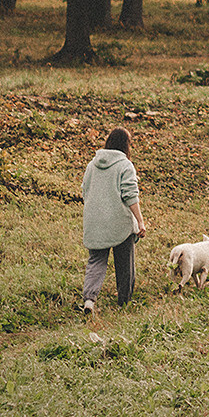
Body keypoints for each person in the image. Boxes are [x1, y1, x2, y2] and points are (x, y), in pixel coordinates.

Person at [81, 126, 146, 313]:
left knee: (96, 261)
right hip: (119, 223)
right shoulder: (125, 166)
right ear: (126, 145)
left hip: (95, 221)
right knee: (125, 262)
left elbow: (85, 191)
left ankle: (89, 301)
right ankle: (123, 303)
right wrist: (140, 222)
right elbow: (130, 196)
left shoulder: (92, 164)